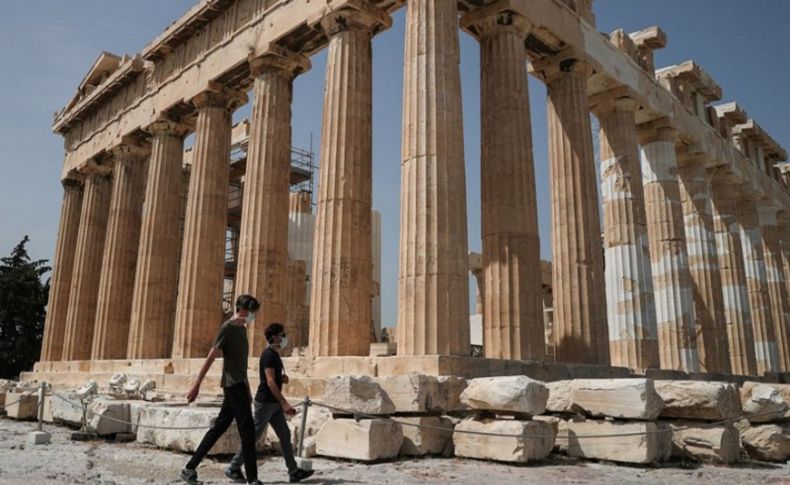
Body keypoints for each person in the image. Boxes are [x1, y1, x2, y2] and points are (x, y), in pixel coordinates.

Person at [180, 294, 262, 485]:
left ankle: (189, 468)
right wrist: (196, 385)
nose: (253, 316)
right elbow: (211, 356)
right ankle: (253, 479)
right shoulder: (228, 328)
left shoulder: (242, 329)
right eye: (252, 312)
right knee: (248, 432)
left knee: (218, 428)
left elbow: (239, 365)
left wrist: (248, 389)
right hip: (233, 387)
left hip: (239, 385)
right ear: (244, 310)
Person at [224, 323, 314, 483]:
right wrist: (284, 403)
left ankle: (293, 471)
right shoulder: (268, 355)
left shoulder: (274, 354)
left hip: (274, 404)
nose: (284, 337)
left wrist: (283, 379)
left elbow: (275, 378)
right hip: (265, 402)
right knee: (254, 436)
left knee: (285, 435)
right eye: (281, 334)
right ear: (274, 337)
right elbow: (270, 381)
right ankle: (233, 466)